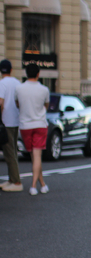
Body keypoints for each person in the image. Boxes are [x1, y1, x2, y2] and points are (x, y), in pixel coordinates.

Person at [14, 63, 49, 196]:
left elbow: (17, 104)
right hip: (40, 124)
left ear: (26, 73)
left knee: (33, 156)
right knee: (37, 156)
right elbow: (46, 105)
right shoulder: (44, 90)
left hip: (25, 125)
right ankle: (37, 185)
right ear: (38, 74)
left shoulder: (19, 88)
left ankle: (39, 185)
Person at [0, 59, 23, 192]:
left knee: (9, 153)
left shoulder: (2, 84)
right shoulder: (17, 83)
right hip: (14, 121)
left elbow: (0, 103)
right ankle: (11, 179)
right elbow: (19, 102)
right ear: (11, 70)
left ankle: (16, 181)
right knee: (12, 151)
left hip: (5, 122)